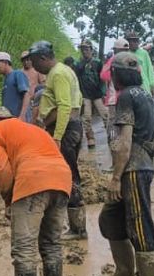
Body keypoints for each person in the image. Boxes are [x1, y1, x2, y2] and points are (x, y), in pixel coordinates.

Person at [0, 107, 71, 276]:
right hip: (62, 179)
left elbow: (3, 169)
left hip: (33, 179)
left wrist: (8, 201)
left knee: (24, 247)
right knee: (51, 243)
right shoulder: (33, 129)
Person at [97, 52, 154, 276]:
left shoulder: (125, 97)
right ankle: (124, 273)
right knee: (110, 218)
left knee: (139, 225)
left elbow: (125, 141)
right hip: (138, 166)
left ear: (116, 75)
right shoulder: (145, 95)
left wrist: (115, 177)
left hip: (133, 168)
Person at [27, 41, 86, 238]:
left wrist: (58, 137)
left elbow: (64, 106)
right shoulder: (61, 71)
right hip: (69, 127)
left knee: (69, 176)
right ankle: (74, 225)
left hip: (66, 130)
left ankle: (78, 228)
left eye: (34, 62)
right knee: (69, 174)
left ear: (43, 58)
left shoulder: (58, 74)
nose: (33, 66)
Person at [73, 40, 107, 151]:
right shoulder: (78, 65)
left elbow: (103, 78)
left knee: (105, 115)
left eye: (87, 49)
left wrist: (103, 92)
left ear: (91, 50)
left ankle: (111, 135)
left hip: (97, 94)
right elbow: (76, 79)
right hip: (85, 94)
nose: (84, 51)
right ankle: (90, 138)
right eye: (83, 49)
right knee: (86, 117)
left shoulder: (97, 63)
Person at [0, 51, 29, 118]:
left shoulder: (18, 74)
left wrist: (22, 116)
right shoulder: (6, 79)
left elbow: (27, 95)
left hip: (19, 118)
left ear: (5, 62)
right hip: (10, 119)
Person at [125, 31, 154, 98]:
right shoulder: (125, 54)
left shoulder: (144, 53)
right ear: (128, 42)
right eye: (133, 41)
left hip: (144, 86)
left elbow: (150, 70)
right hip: (130, 88)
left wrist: (153, 86)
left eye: (137, 41)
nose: (135, 43)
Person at [20, 51, 45, 124]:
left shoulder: (37, 70)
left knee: (33, 121)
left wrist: (36, 96)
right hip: (23, 101)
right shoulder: (19, 72)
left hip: (35, 101)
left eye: (28, 60)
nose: (26, 62)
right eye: (24, 60)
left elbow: (43, 84)